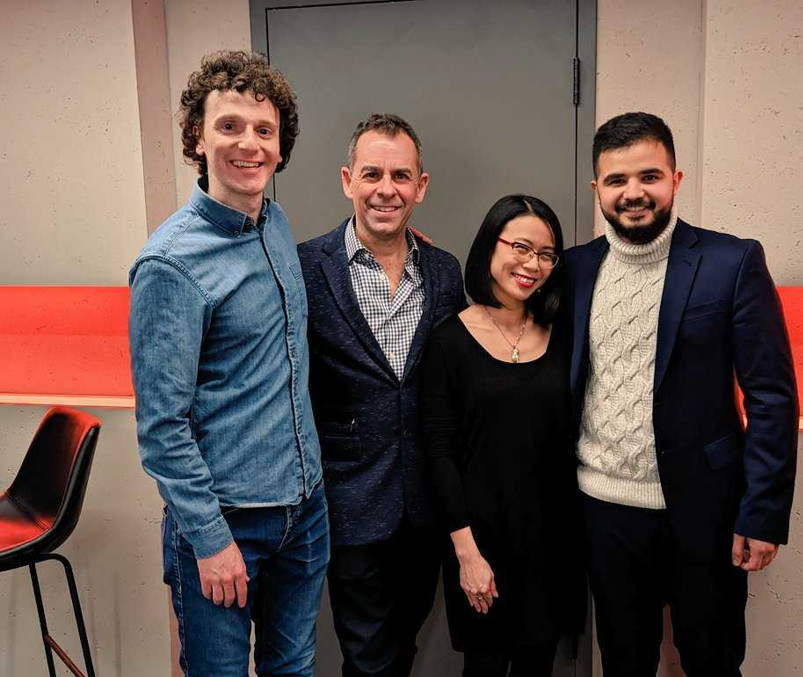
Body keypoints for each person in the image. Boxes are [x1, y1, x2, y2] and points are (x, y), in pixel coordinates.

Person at [564, 111, 799, 677]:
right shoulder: (573, 270)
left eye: (649, 176)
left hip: (705, 512)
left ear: (676, 179)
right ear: (597, 189)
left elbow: (771, 396)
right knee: (623, 663)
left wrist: (762, 513)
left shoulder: (732, 261)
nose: (634, 193)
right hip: (602, 511)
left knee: (712, 661)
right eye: (617, 181)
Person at [129, 51, 328, 677]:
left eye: (264, 131)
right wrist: (211, 540)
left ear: (281, 146)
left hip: (305, 509)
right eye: (230, 126)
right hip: (226, 523)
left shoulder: (273, 221)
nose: (250, 144)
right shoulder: (170, 265)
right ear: (197, 136)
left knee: (292, 668)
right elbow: (162, 429)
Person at [298, 113, 466, 677]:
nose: (385, 189)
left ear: (421, 186)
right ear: (348, 180)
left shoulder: (444, 271)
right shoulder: (305, 267)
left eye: (401, 176)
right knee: (368, 655)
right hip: (349, 502)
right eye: (372, 174)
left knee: (402, 646)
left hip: (426, 506)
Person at [420, 195, 583, 677]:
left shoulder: (564, 335)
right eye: (521, 247)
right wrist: (467, 555)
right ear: (490, 246)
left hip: (552, 545)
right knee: (485, 666)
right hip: (480, 545)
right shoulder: (448, 340)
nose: (532, 264)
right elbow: (439, 453)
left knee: (539, 665)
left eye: (547, 254)